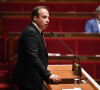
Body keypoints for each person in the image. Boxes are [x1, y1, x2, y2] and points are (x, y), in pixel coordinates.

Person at [12, 6, 61, 90]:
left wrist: (43, 66)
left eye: (48, 17)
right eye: (44, 17)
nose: (48, 20)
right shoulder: (31, 32)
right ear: (35, 18)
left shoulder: (36, 30)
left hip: (31, 77)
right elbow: (33, 56)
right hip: (28, 80)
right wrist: (47, 74)